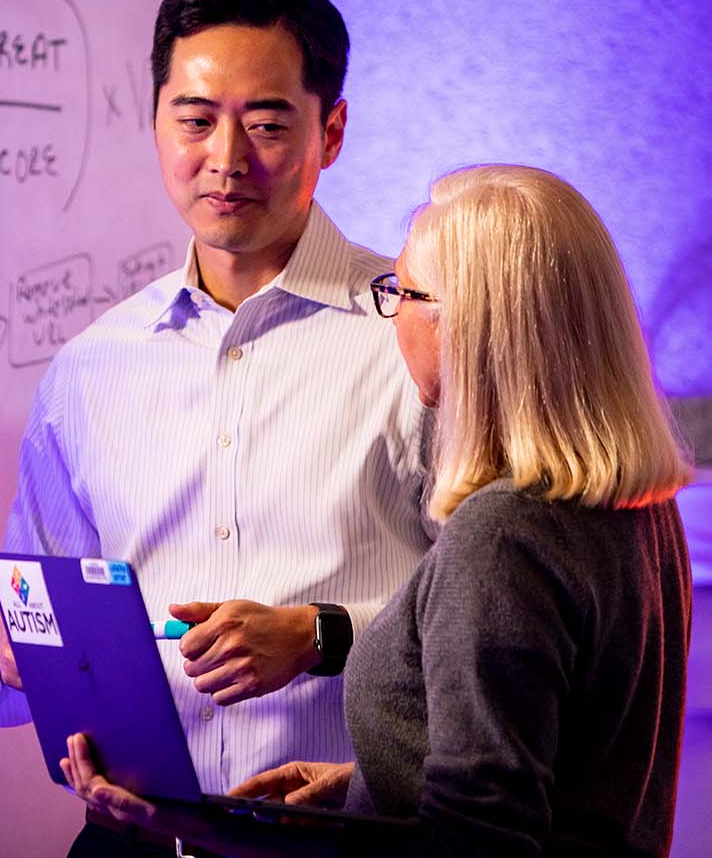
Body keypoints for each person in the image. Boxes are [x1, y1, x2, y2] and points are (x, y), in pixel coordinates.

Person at [64, 164, 693, 857]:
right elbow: (563, 778)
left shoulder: (502, 537)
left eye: (404, 291)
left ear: (473, 327)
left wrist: (197, 830)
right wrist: (368, 790)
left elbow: (475, 845)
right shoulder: (639, 509)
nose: (391, 312)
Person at [0, 0, 432, 854]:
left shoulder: (417, 333)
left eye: (265, 123)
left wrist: (324, 636)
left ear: (330, 132)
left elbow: (497, 635)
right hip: (129, 842)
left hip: (349, 840)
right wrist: (4, 641)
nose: (226, 159)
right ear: (155, 124)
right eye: (196, 120)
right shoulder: (90, 370)